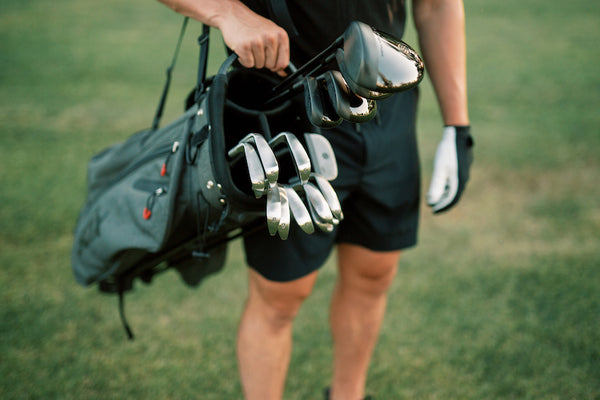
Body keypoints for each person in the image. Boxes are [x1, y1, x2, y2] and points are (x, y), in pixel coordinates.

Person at [157, 0, 473, 399]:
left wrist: (456, 126)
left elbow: (437, 5)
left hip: (387, 101)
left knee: (373, 274)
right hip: (284, 107)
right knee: (280, 296)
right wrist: (229, 13)